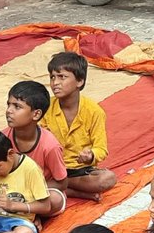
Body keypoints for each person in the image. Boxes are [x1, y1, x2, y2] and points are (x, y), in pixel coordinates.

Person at [44, 52, 117, 200]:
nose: (55, 83)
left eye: (62, 77)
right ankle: (73, 191)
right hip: (51, 169)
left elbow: (101, 149)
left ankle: (60, 185)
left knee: (108, 178)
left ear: (79, 81)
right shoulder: (45, 107)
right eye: (52, 77)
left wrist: (90, 155)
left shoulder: (94, 111)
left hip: (78, 171)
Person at [5, 79, 68, 215]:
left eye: (17, 106)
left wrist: (26, 190)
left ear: (36, 114)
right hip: (8, 189)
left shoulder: (50, 146)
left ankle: (29, 214)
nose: (9, 111)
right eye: (8, 104)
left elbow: (62, 183)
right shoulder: (3, 138)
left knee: (55, 199)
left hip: (38, 192)